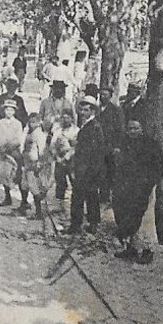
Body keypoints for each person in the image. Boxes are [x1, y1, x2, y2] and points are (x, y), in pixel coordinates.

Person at [112, 120, 163, 265]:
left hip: (145, 186)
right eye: (130, 129)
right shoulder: (125, 144)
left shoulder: (151, 144)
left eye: (136, 128)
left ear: (141, 129)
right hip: (130, 187)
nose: (133, 131)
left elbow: (158, 167)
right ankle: (132, 247)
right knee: (130, 216)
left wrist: (149, 182)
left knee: (146, 218)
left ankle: (148, 250)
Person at [68, 95, 105, 234]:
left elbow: (95, 151)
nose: (82, 113)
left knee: (82, 196)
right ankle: (90, 223)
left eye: (86, 110)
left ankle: (79, 225)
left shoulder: (94, 127)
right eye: (81, 110)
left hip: (88, 168)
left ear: (93, 111)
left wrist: (91, 170)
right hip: (84, 167)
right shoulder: (86, 125)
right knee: (89, 196)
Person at [0, 98, 23, 208]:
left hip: (13, 150)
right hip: (2, 150)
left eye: (11, 110)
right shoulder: (1, 123)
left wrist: (9, 147)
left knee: (18, 173)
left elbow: (18, 139)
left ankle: (24, 200)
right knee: (4, 173)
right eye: (7, 110)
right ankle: (7, 196)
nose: (9, 112)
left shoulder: (17, 124)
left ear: (14, 111)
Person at [19, 112, 52, 219]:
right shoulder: (29, 132)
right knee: (24, 184)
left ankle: (39, 212)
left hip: (34, 164)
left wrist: (39, 164)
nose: (31, 124)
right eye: (30, 122)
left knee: (34, 187)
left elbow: (42, 151)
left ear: (38, 123)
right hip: (27, 161)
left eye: (34, 122)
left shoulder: (39, 135)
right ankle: (23, 204)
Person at [98, 86, 126, 204]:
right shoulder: (96, 109)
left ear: (110, 96)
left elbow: (120, 129)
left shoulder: (116, 110)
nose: (102, 97)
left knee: (110, 171)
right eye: (101, 94)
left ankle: (109, 196)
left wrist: (117, 146)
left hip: (110, 146)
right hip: (98, 146)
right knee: (100, 170)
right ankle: (102, 195)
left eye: (105, 94)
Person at [50, 109, 79, 207]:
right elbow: (52, 145)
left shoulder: (76, 131)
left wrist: (67, 157)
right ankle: (59, 205)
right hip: (59, 159)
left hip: (72, 160)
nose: (65, 120)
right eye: (63, 118)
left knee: (74, 182)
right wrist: (57, 157)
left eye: (68, 118)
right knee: (60, 182)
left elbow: (76, 147)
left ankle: (76, 206)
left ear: (72, 119)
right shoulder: (58, 131)